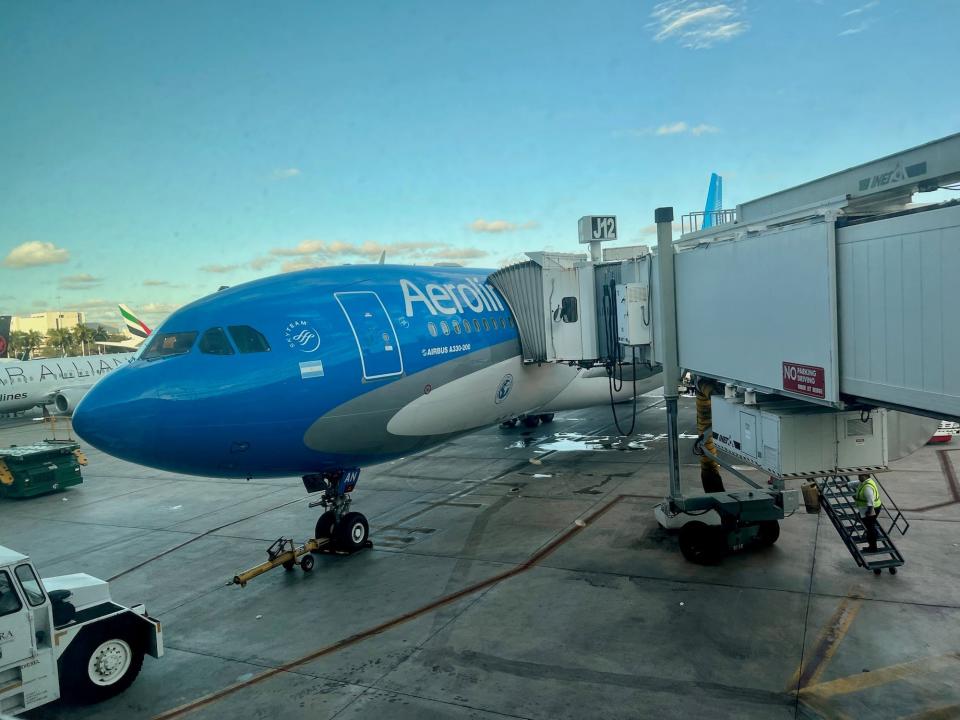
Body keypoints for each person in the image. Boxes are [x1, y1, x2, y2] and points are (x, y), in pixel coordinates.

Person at [849, 473, 882, 551]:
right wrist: (845, 484)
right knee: (869, 525)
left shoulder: (867, 487)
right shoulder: (866, 482)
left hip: (872, 508)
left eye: (860, 476)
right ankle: (875, 535)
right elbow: (856, 483)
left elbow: (870, 502)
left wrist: (869, 512)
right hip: (873, 507)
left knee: (870, 528)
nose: (859, 477)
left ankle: (873, 547)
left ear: (865, 476)